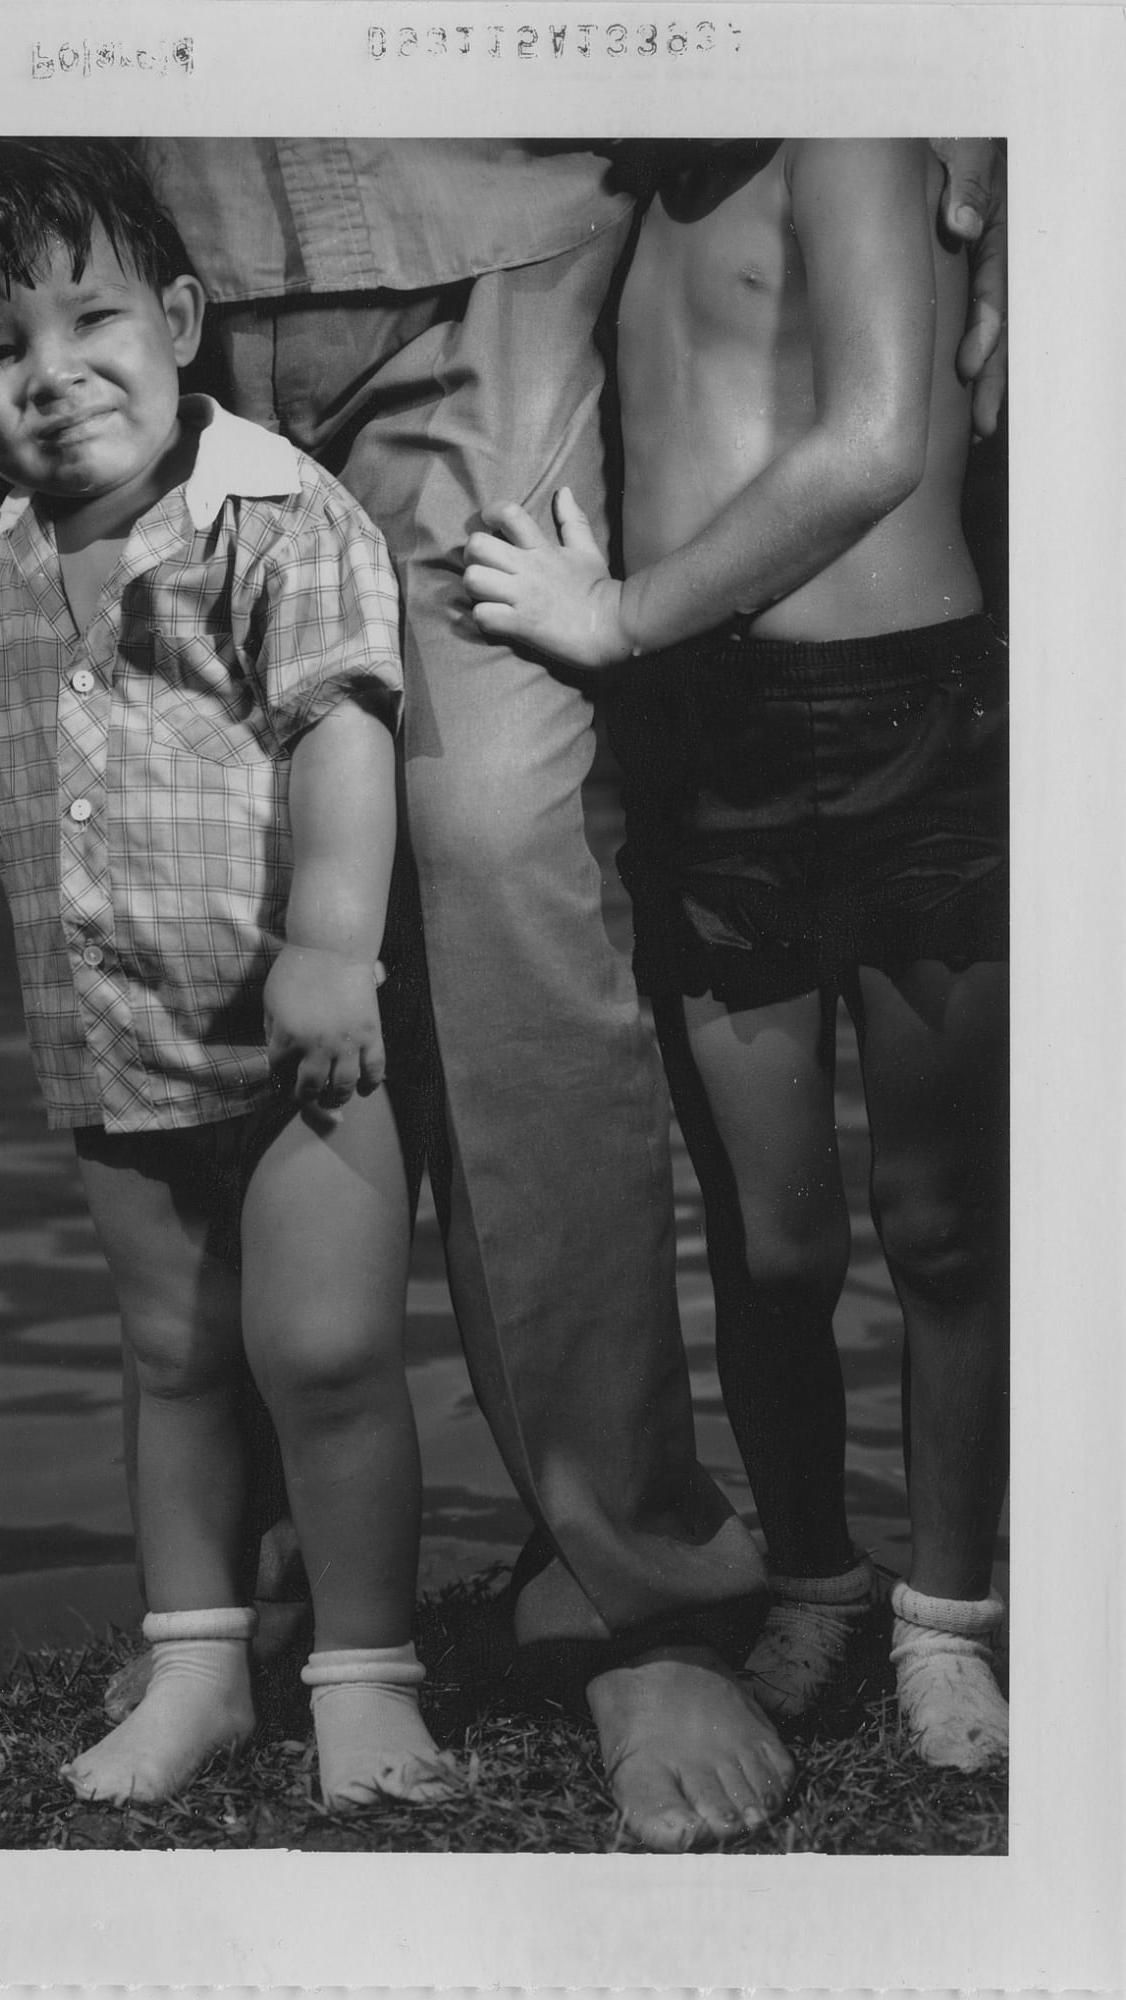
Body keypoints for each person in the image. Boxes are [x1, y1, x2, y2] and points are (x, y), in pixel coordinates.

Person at [0, 134, 1005, 1849]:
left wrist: (990, 108)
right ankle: (241, 1599)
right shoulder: (27, 476)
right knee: (196, 889)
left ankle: (632, 1592)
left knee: (488, 837)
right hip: (158, 202)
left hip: (490, 237)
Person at [0, 138, 459, 1810]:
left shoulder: (275, 515)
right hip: (106, 1047)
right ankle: (196, 1671)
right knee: (173, 1362)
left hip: (298, 1045)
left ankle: (367, 1679)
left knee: (324, 1358)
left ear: (179, 322)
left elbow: (340, 725)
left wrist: (333, 947)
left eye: (91, 320)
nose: (51, 376)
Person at [462, 138, 1009, 1770]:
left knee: (942, 1226)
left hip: (910, 725)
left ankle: (948, 1616)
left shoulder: (852, 119)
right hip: (711, 752)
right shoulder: (607, 183)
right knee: (773, 1245)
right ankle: (816, 1577)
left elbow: (874, 443)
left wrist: (622, 615)